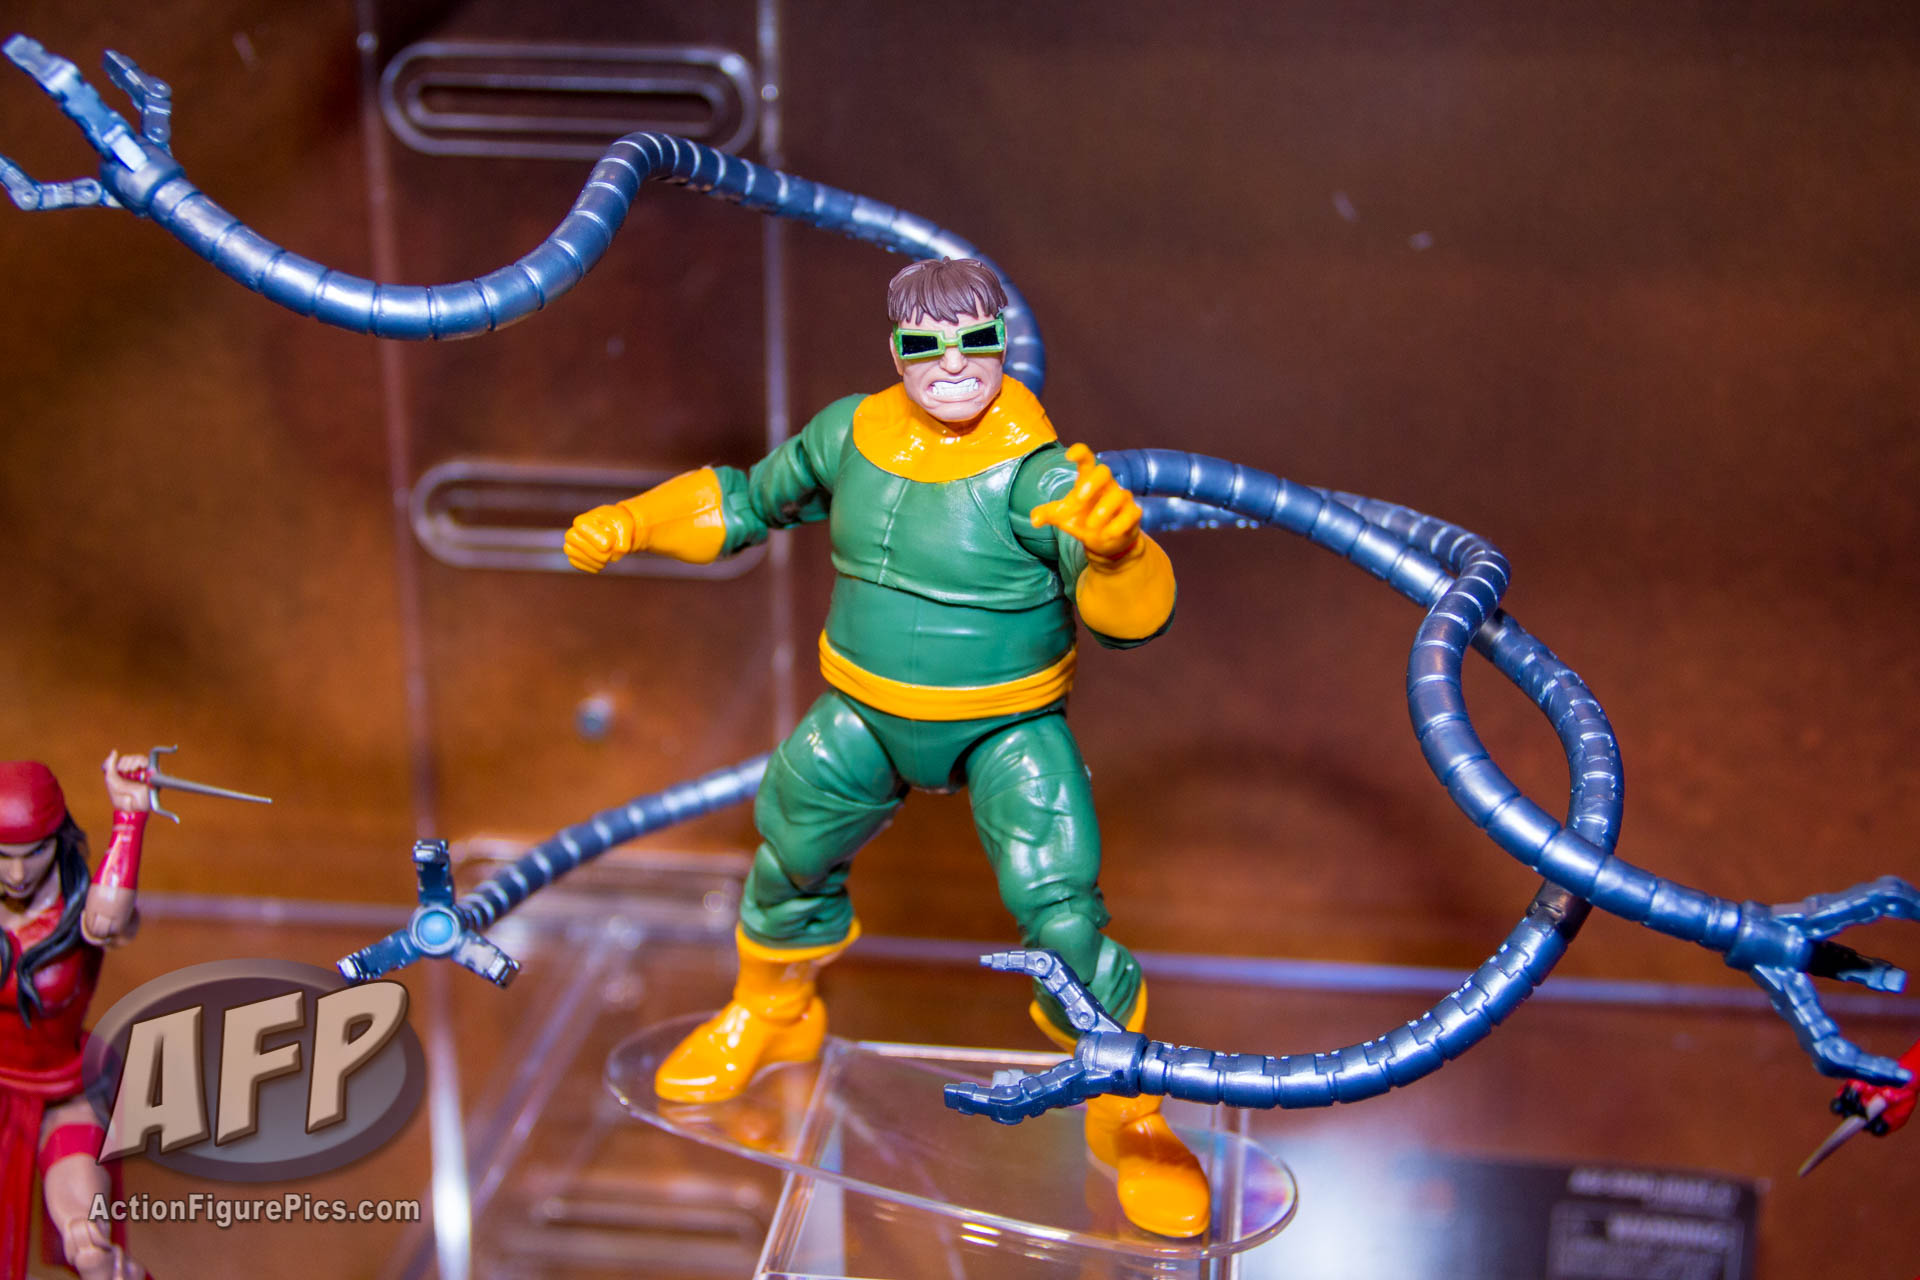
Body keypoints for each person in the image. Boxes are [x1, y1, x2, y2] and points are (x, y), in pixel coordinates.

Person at [565, 257, 1208, 1237]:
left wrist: (1120, 551)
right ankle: (775, 1012)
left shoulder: (1043, 479)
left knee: (1062, 911)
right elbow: (745, 501)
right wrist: (636, 520)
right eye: (926, 344)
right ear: (897, 348)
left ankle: (1125, 1111)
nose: (952, 364)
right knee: (790, 855)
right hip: (862, 712)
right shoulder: (849, 434)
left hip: (1007, 725)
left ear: (1003, 342)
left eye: (974, 341)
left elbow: (1130, 619)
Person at [0, 755, 151, 1280]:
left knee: (87, 1240)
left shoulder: (80, 908)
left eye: (34, 852)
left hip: (62, 1090)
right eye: (3, 856)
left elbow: (110, 916)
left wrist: (129, 819)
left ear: (57, 841)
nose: (18, 875)